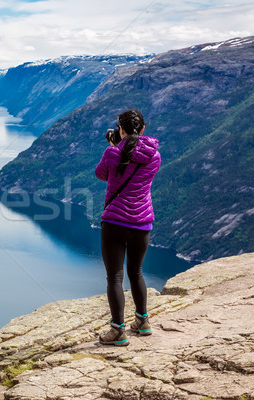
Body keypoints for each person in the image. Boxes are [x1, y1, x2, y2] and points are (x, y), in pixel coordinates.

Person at [94, 109, 161, 346]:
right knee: (136, 272)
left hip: (114, 222)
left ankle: (118, 331)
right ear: (143, 129)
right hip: (142, 223)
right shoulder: (155, 156)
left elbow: (100, 174)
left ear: (120, 129)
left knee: (114, 277)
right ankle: (142, 322)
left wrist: (115, 146)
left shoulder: (112, 153)